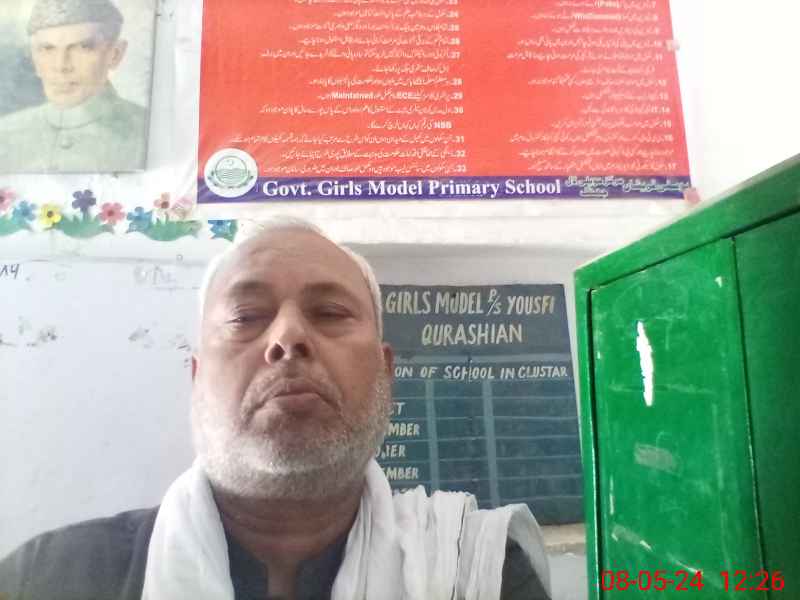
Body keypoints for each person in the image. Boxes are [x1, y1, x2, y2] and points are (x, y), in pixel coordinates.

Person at [0, 218, 551, 600]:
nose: (288, 337)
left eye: (330, 312)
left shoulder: (480, 573)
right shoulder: (46, 577)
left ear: (386, 372)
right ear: (197, 378)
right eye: (245, 317)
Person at [0, 0, 148, 173]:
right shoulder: (5, 132)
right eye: (47, 48)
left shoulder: (149, 131)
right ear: (34, 57)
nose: (61, 66)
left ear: (115, 54)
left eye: (83, 47)